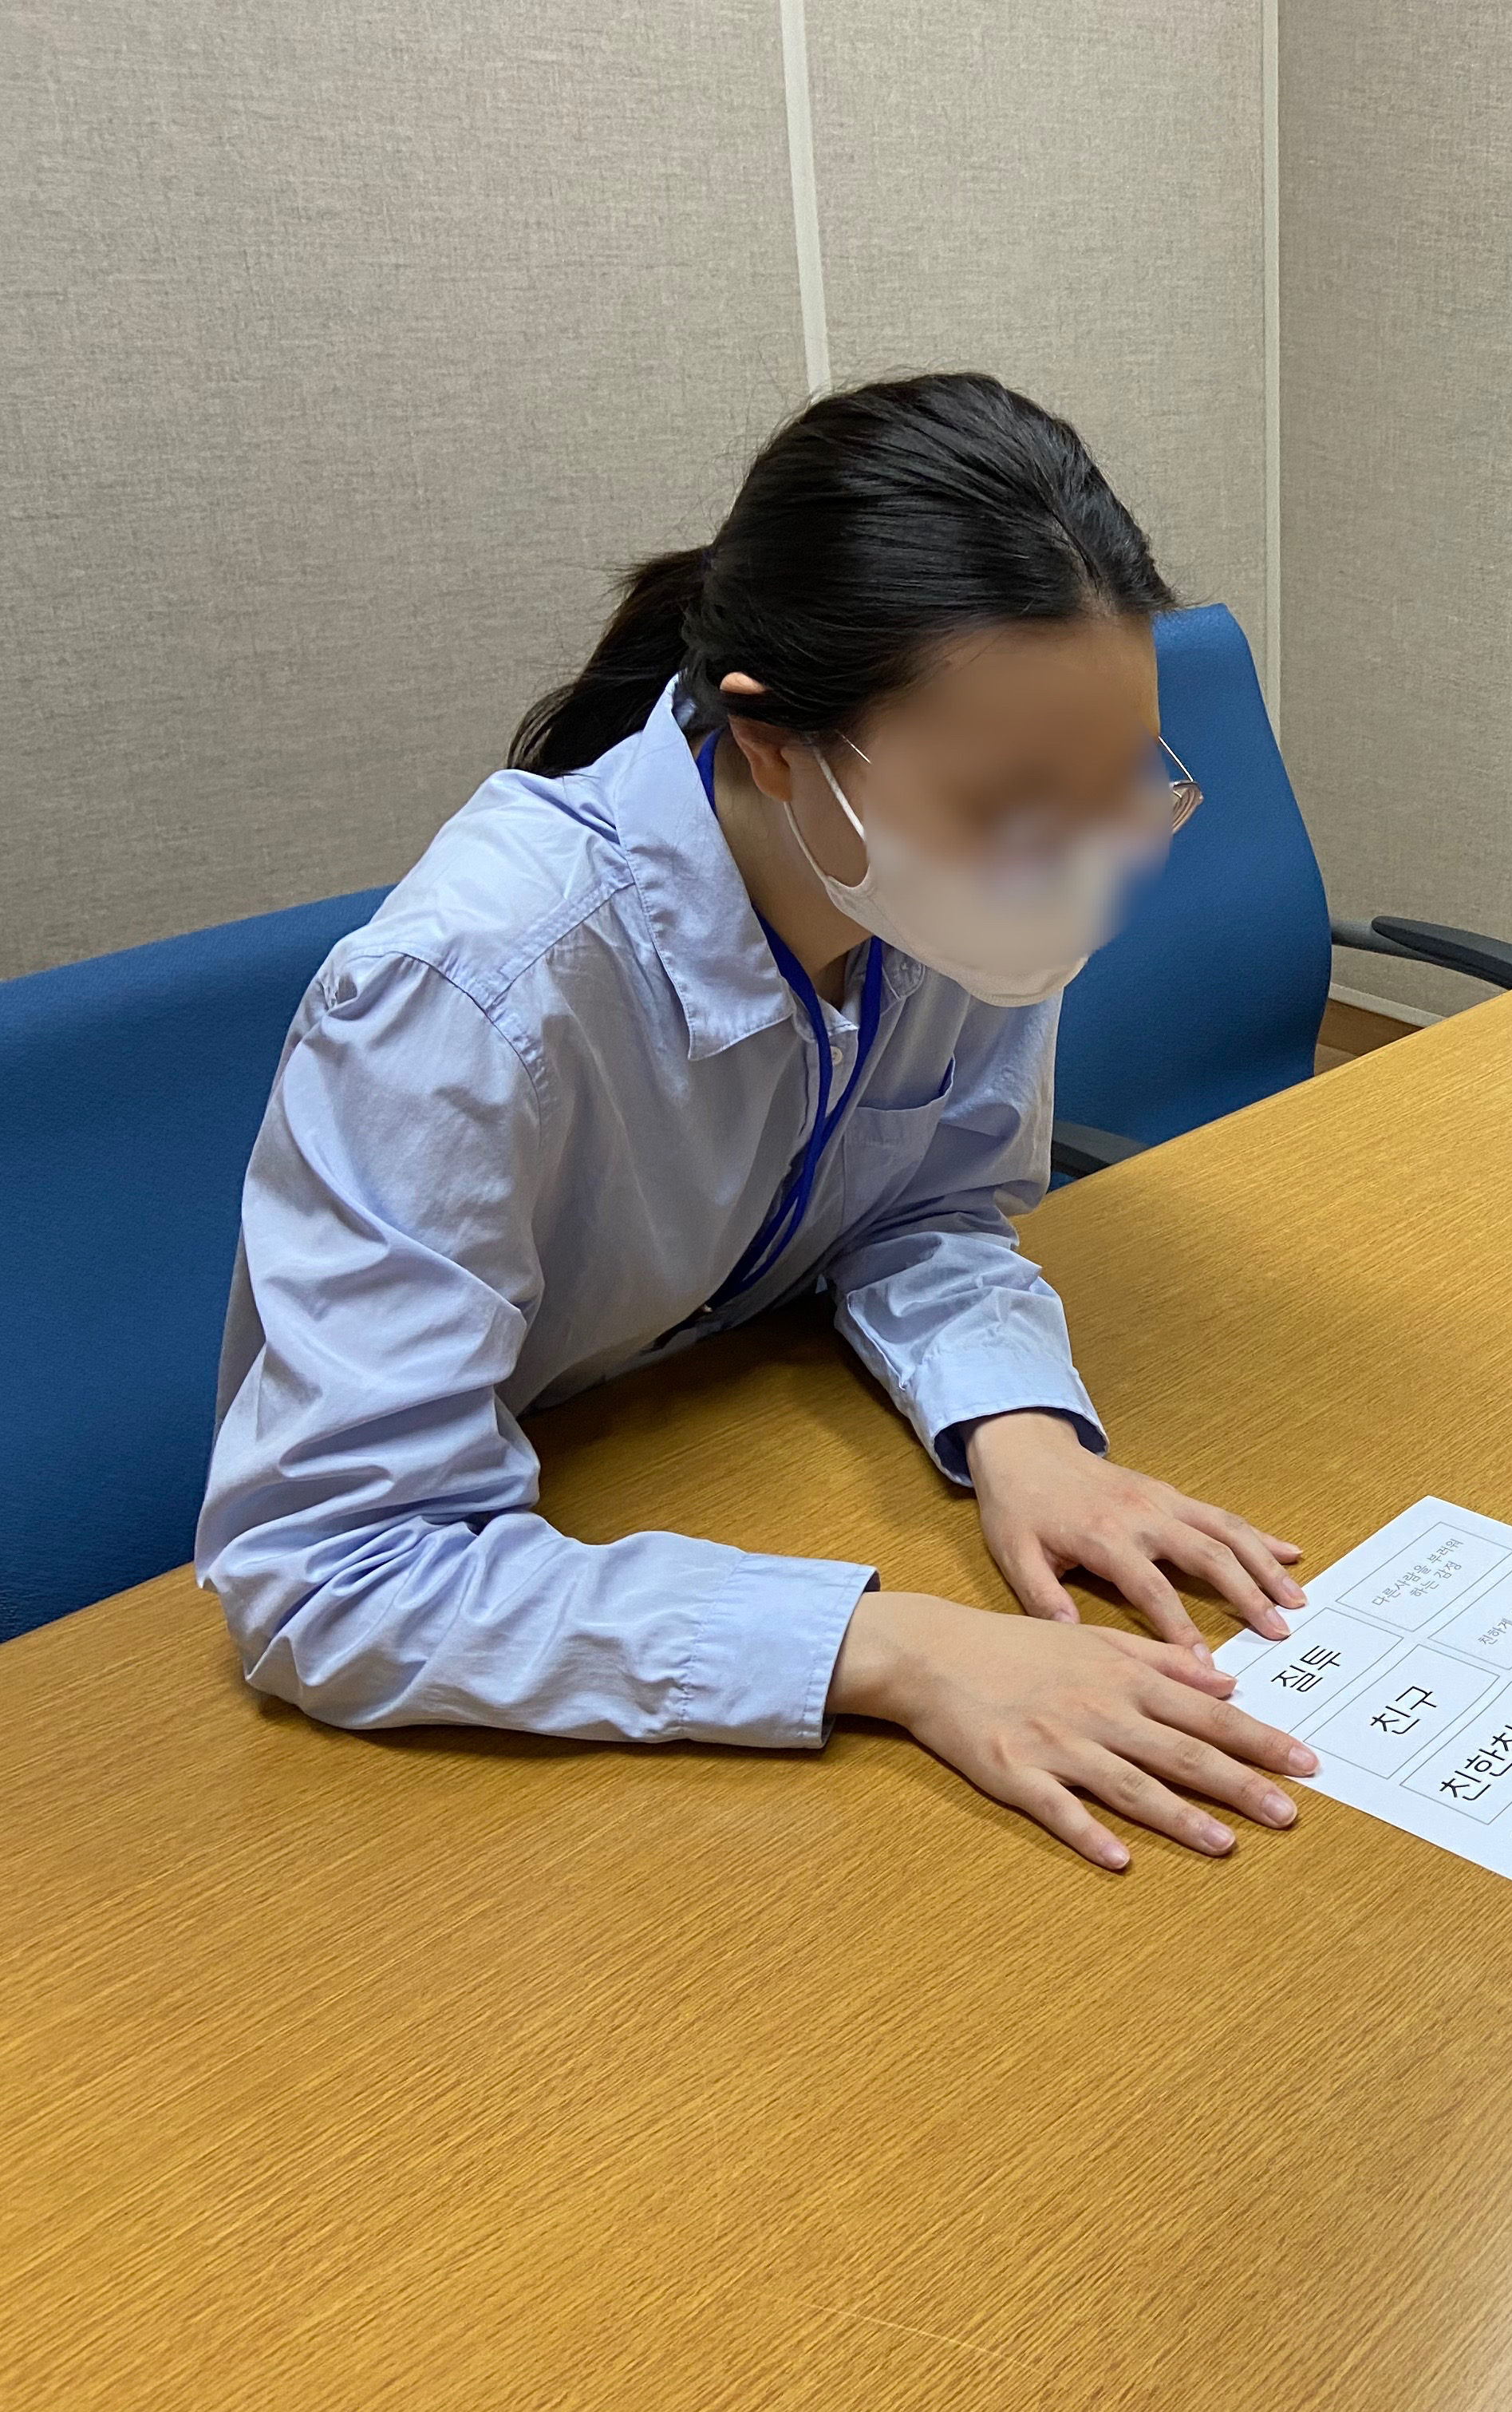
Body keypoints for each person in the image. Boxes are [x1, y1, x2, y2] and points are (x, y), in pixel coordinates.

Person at [199, 372, 1320, 1872]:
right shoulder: (470, 994)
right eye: (1012, 805)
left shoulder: (943, 883)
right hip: (505, 1590)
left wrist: (1021, 1429)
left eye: (1120, 781)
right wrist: (892, 1649)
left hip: (709, 1434)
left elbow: (926, 1206)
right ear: (778, 744)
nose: (1076, 861)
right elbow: (334, 1571)